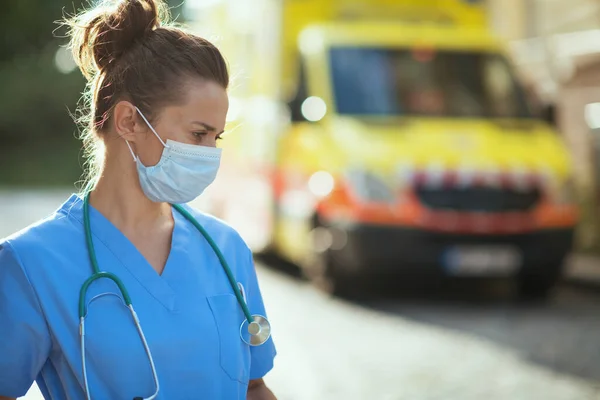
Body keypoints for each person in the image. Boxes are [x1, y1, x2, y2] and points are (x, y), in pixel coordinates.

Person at [0, 0, 277, 399]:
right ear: (129, 121)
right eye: (199, 134)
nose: (210, 153)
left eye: (216, 137)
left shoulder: (225, 248)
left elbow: (254, 387)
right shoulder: (32, 262)